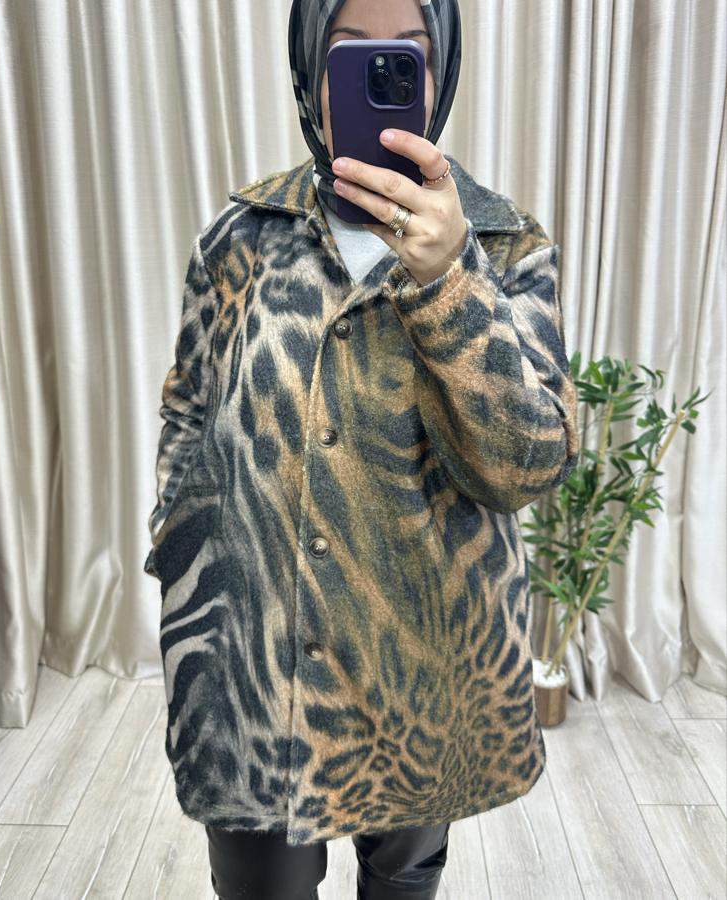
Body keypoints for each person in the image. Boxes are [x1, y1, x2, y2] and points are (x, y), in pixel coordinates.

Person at [144, 0, 580, 898]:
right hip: (256, 666)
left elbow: (529, 465)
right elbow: (188, 405)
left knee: (402, 884)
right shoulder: (241, 238)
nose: (381, 72)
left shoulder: (504, 245)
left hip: (422, 670)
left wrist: (448, 280)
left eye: (406, 55)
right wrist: (178, 543)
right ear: (312, 71)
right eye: (352, 52)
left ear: (440, 74)